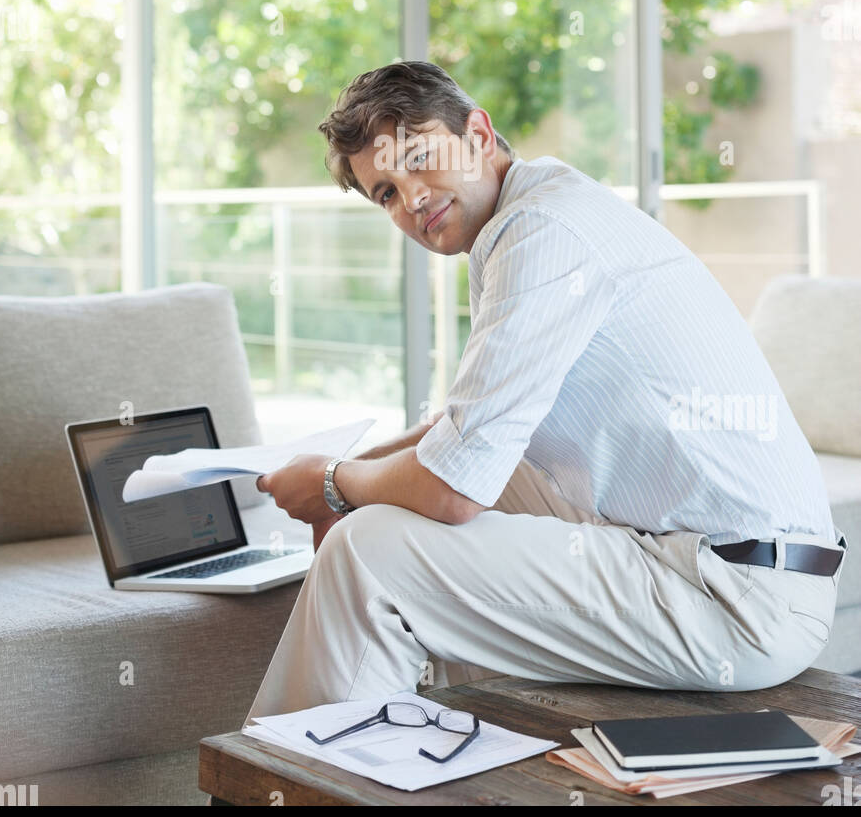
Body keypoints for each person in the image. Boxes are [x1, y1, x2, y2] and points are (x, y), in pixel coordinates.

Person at [245, 60, 846, 721]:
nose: (412, 197)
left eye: (419, 157)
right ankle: (432, 742)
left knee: (372, 551)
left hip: (739, 596)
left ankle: (290, 780)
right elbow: (469, 432)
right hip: (710, 560)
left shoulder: (542, 231)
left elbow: (453, 487)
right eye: (386, 191)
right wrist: (347, 475)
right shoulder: (533, 212)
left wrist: (333, 483)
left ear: (477, 132)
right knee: (403, 500)